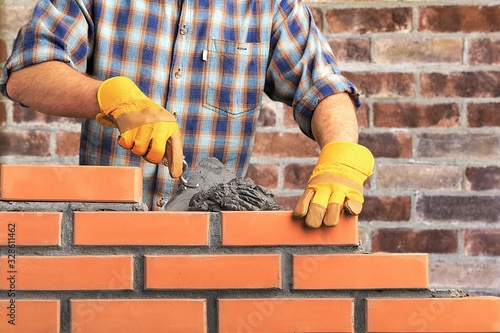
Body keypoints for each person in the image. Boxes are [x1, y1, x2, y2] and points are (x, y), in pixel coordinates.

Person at [0, 0, 374, 228]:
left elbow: (323, 87)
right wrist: (110, 96)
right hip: (100, 238)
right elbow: (27, 73)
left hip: (210, 248)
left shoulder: (269, 5)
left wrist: (341, 155)